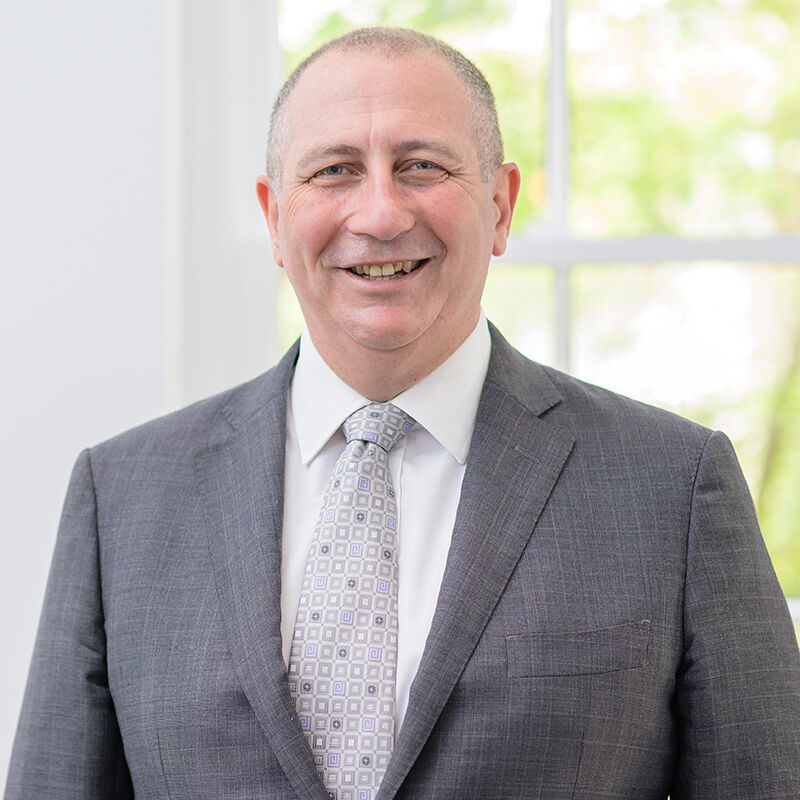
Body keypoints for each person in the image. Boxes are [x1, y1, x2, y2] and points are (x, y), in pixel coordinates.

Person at [6, 26, 800, 800]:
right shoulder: (122, 495)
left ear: (500, 205)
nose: (381, 214)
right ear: (274, 217)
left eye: (422, 166)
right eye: (335, 171)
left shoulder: (673, 488)